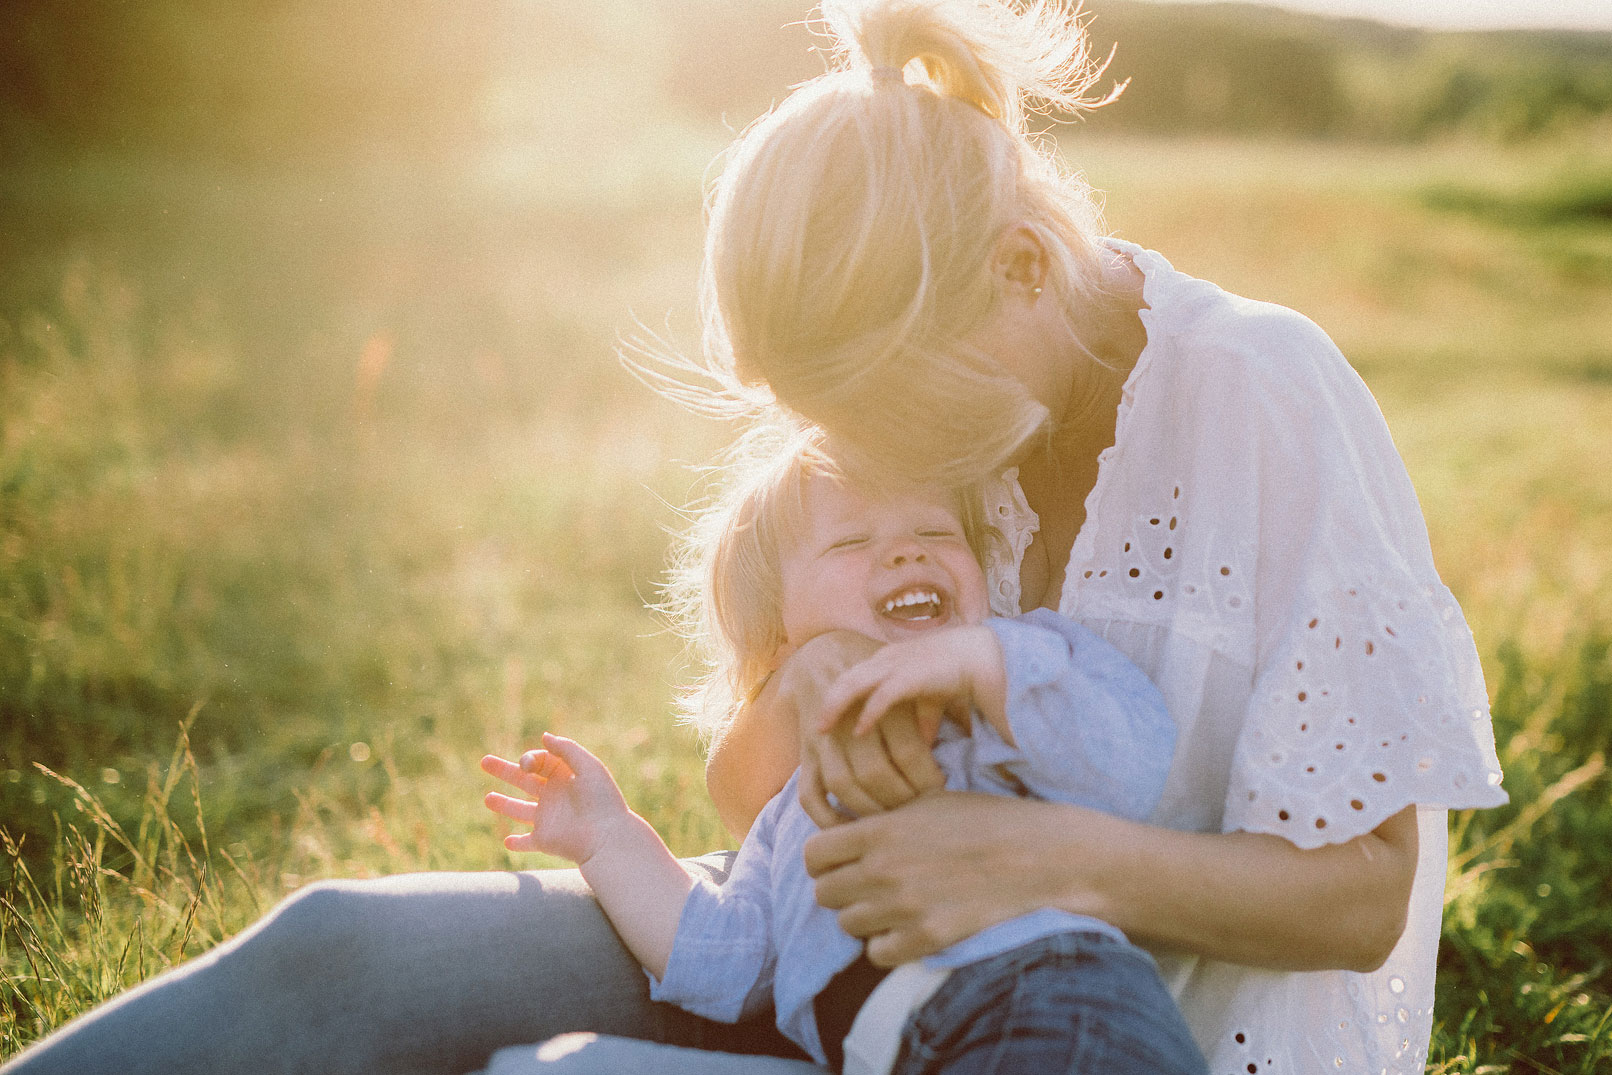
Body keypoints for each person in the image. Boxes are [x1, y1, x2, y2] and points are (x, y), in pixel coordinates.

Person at [0, 1, 1509, 1073]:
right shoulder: (908, 406)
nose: (866, 468)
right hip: (843, 975)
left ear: (1024, 267)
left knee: (563, 1070)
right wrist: (819, 685)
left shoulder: (1264, 393)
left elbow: (1367, 892)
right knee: (342, 949)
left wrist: (1048, 859)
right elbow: (746, 790)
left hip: (1098, 1032)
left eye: (886, 424)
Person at [478, 438, 1206, 1075]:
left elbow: (1130, 770)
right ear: (782, 640)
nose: (906, 550)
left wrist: (988, 663)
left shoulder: (1020, 675)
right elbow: (725, 964)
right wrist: (610, 839)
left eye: (934, 529)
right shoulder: (794, 805)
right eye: (852, 542)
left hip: (1059, 1009)